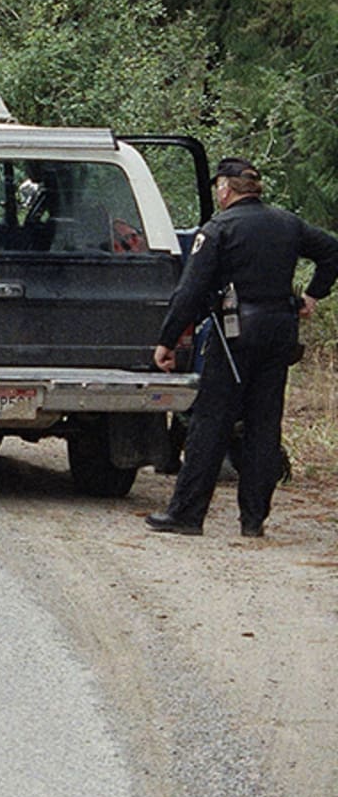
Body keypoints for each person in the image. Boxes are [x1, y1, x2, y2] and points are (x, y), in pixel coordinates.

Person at [147, 158, 338, 537]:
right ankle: (253, 521)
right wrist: (312, 296)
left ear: (225, 188)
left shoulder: (219, 229)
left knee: (211, 422)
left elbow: (190, 291)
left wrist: (167, 340)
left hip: (236, 334)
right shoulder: (288, 223)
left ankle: (186, 514)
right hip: (281, 333)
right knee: (264, 424)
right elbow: (332, 251)